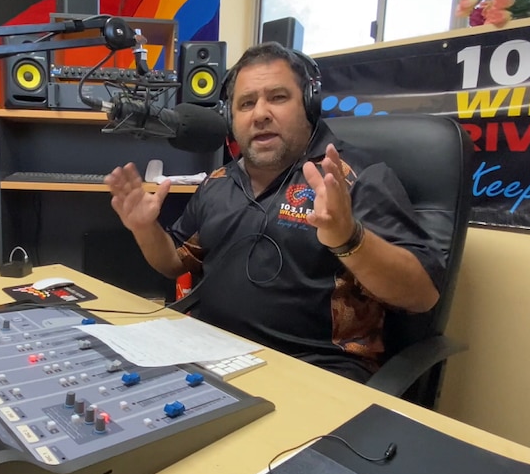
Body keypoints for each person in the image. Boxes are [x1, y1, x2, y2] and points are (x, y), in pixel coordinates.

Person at [104, 41, 445, 383]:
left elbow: (422, 296)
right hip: (209, 354)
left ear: (308, 106)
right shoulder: (219, 182)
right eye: (246, 103)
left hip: (315, 371)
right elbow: (175, 263)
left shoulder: (350, 178)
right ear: (230, 117)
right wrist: (145, 229)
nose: (260, 113)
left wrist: (348, 238)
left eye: (278, 97)